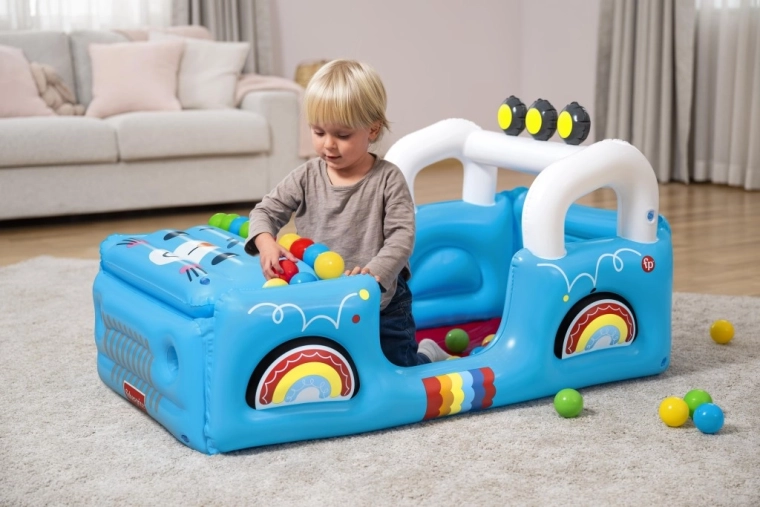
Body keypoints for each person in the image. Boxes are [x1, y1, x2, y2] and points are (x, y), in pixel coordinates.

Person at [244, 59, 449, 366]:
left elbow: (401, 237)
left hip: (381, 304)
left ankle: (428, 355)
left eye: (342, 135)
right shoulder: (306, 176)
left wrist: (372, 274)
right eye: (318, 132)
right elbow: (265, 211)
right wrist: (265, 242)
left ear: (372, 129)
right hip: (322, 299)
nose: (328, 145)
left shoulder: (388, 179)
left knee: (398, 368)